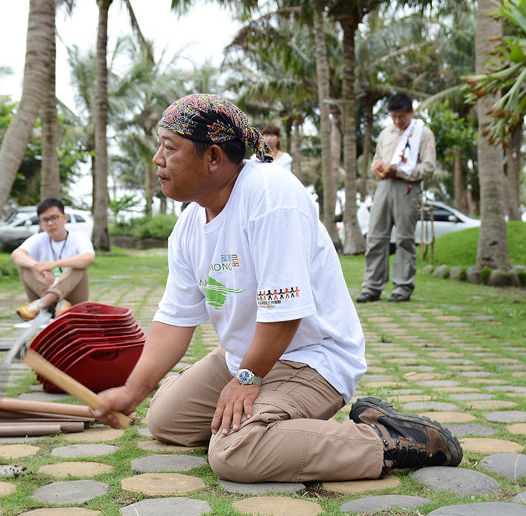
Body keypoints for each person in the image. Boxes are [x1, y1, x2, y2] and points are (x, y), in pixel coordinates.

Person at [91, 94, 461, 483]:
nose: (157, 159)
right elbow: (174, 322)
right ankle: (277, 420)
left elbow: (286, 311)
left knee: (235, 452)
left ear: (213, 157)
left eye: (169, 147)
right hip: (248, 355)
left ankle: (391, 440)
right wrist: (132, 392)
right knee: (165, 420)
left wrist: (247, 380)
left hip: (312, 358)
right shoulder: (188, 226)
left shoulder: (270, 195)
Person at [356, 94, 436, 304]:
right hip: (383, 187)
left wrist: (400, 172)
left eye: (401, 116)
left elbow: (428, 167)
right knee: (375, 237)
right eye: (393, 116)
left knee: (404, 239)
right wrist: (377, 166)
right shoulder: (386, 133)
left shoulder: (423, 134)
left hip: (407, 189)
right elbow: (377, 159)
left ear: (411, 113)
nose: (398, 121)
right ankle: (372, 287)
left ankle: (402, 287)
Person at [11, 198, 95, 320]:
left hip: (71, 304)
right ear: (40, 223)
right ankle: (47, 303)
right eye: (45, 220)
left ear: (64, 218)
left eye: (54, 217)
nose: (50, 223)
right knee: (26, 264)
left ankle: (43, 303)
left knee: (77, 264)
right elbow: (16, 254)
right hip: (44, 298)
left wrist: (53, 265)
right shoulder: (38, 239)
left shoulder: (79, 239)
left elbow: (88, 258)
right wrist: (38, 267)